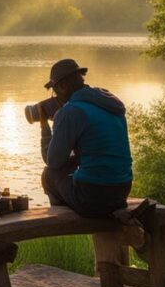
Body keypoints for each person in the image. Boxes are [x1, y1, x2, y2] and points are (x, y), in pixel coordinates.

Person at [38, 58, 132, 218]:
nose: (55, 97)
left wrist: (44, 127)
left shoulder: (70, 111)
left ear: (62, 86)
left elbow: (53, 162)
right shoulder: (110, 103)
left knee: (49, 175)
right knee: (70, 170)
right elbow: (99, 152)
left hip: (92, 196)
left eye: (55, 91)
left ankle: (64, 222)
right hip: (122, 191)